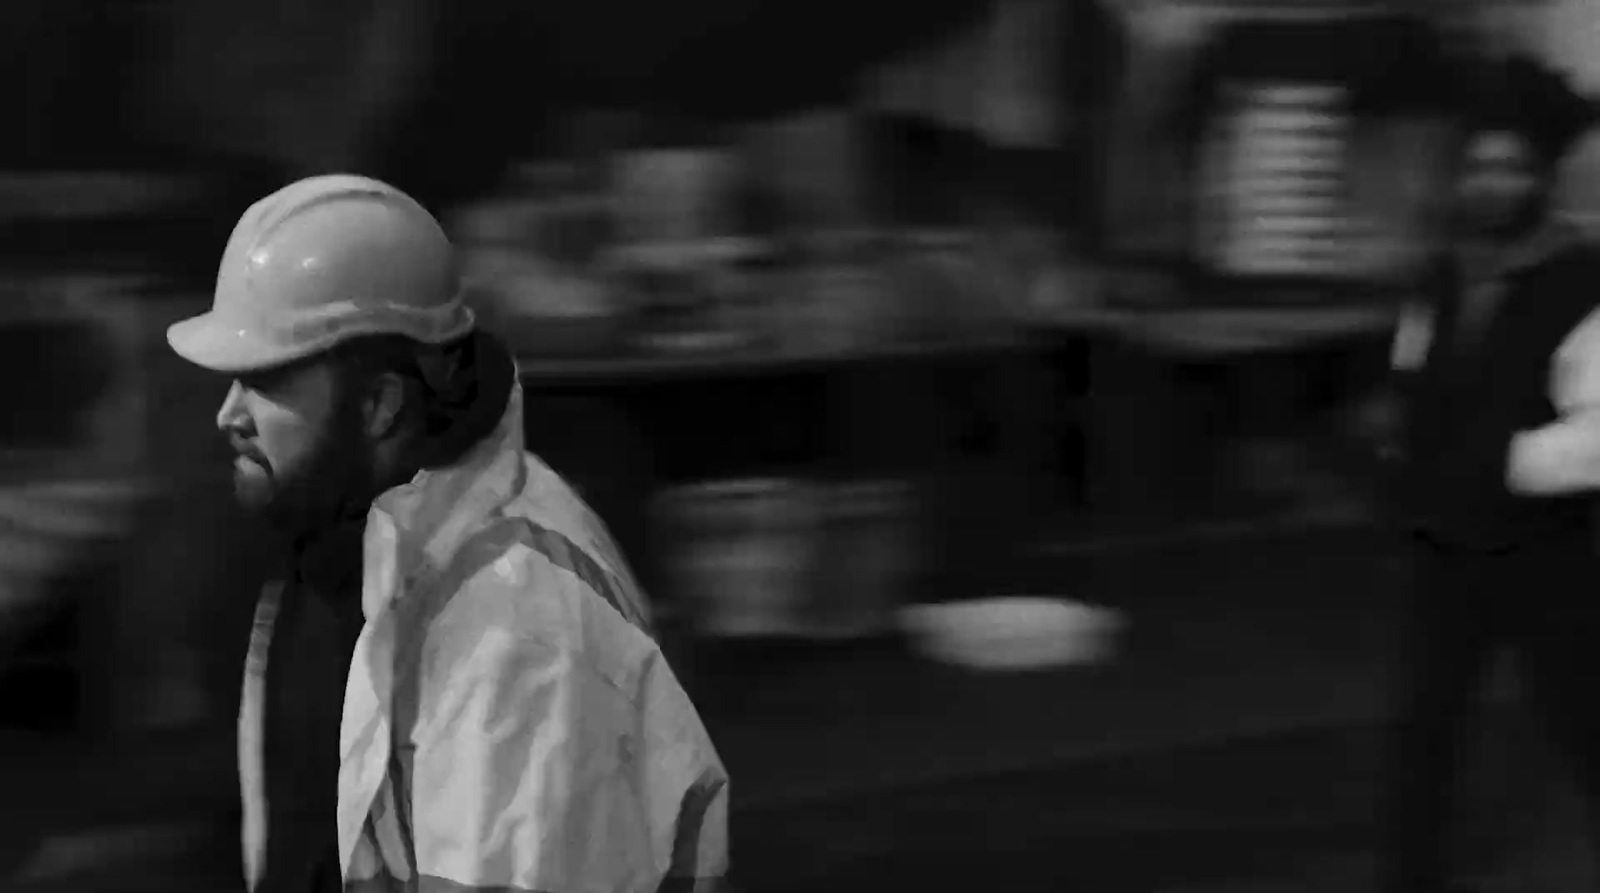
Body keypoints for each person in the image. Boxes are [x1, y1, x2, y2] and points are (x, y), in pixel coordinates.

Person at [165, 174, 730, 893]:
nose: (228, 413)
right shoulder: (331, 554)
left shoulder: (520, 631)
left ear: (379, 404)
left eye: (266, 379)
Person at [1379, 56, 1600, 893]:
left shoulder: (1586, 281)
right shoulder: (1442, 273)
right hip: (1445, 551)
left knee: (1583, 724)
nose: (1493, 182)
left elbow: (1597, 439)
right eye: (1480, 166)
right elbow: (1414, 370)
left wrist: (1493, 463)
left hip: (1545, 559)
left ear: (1540, 176)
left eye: (1511, 167)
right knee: (1424, 732)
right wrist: (1401, 452)